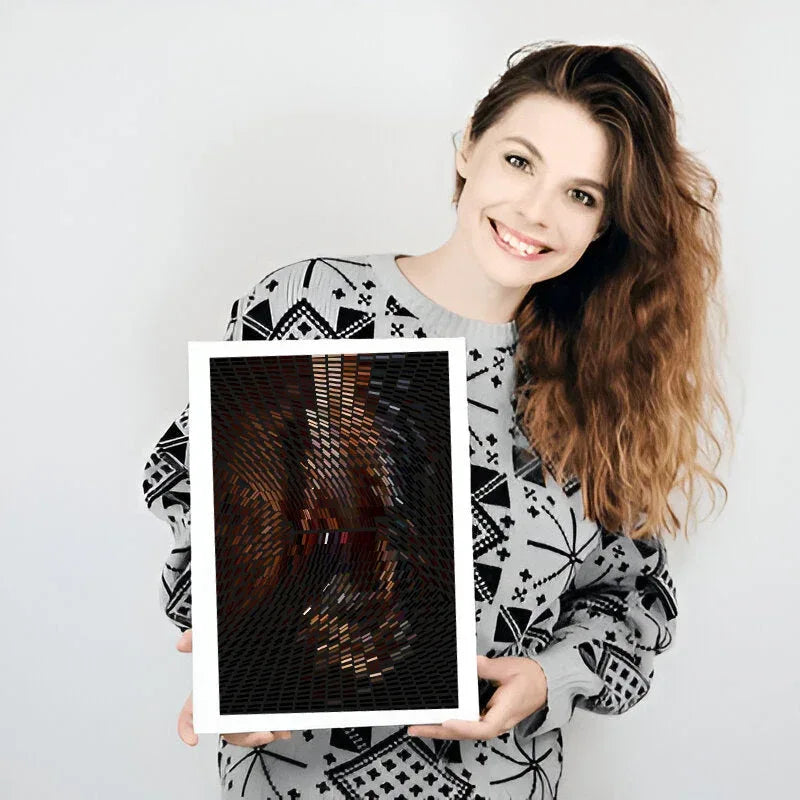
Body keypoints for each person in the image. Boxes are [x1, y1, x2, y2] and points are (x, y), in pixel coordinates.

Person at [142, 41, 732, 799]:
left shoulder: (601, 387)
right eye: (520, 162)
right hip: (296, 779)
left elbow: (634, 604)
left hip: (496, 782)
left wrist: (546, 677)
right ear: (467, 149)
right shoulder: (313, 307)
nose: (534, 212)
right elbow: (190, 491)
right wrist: (232, 656)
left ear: (603, 228)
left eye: (580, 196)